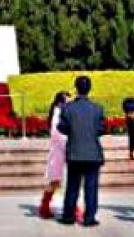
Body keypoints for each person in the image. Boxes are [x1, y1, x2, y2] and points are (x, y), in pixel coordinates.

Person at [57, 75, 105, 227]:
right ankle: (89, 218)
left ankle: (68, 216)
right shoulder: (97, 108)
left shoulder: (67, 108)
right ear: (89, 89)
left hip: (75, 153)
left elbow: (61, 128)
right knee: (91, 188)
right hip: (93, 154)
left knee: (72, 187)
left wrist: (74, 131)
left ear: (76, 88)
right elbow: (101, 129)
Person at [38, 91, 71, 220]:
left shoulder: (60, 112)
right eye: (67, 101)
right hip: (60, 152)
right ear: (60, 102)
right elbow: (58, 134)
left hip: (60, 151)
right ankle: (45, 206)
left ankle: (45, 206)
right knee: (58, 181)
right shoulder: (58, 113)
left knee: (59, 181)